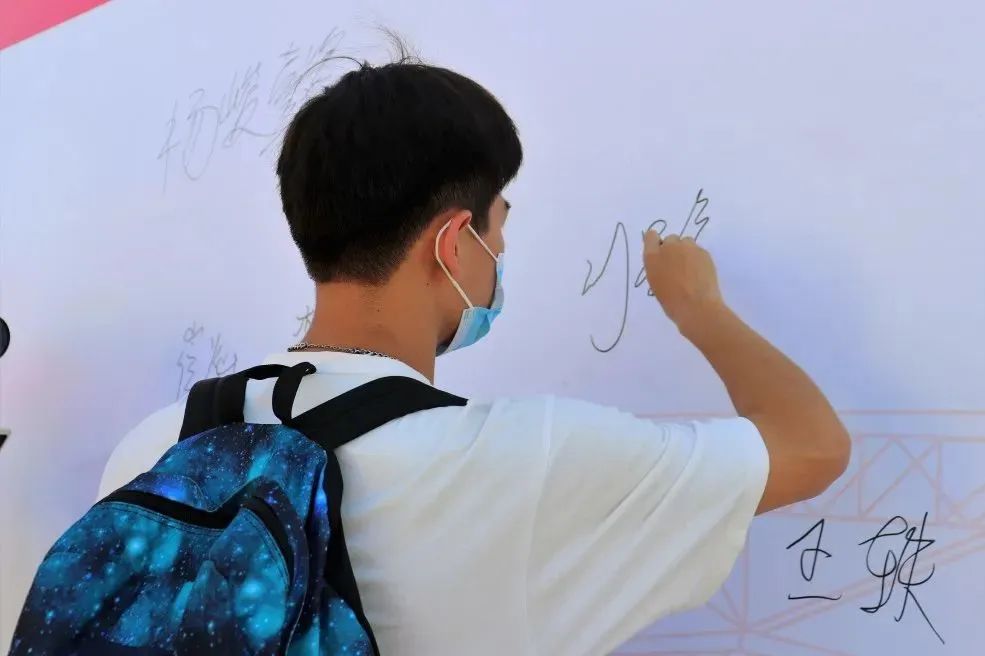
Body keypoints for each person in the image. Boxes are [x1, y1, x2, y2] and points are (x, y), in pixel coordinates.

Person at [99, 53, 851, 655]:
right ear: (454, 243)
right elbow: (812, 447)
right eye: (498, 232)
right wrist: (700, 308)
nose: (499, 258)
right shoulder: (520, 463)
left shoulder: (154, 447)